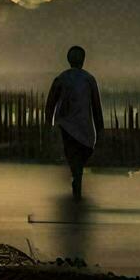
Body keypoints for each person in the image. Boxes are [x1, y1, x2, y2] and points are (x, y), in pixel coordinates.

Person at [44, 45, 104, 199]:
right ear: (82, 61)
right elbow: (97, 108)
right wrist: (100, 131)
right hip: (75, 127)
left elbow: (50, 104)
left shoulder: (64, 78)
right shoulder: (87, 79)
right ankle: (77, 180)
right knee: (77, 156)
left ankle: (77, 178)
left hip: (73, 127)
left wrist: (47, 124)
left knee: (76, 156)